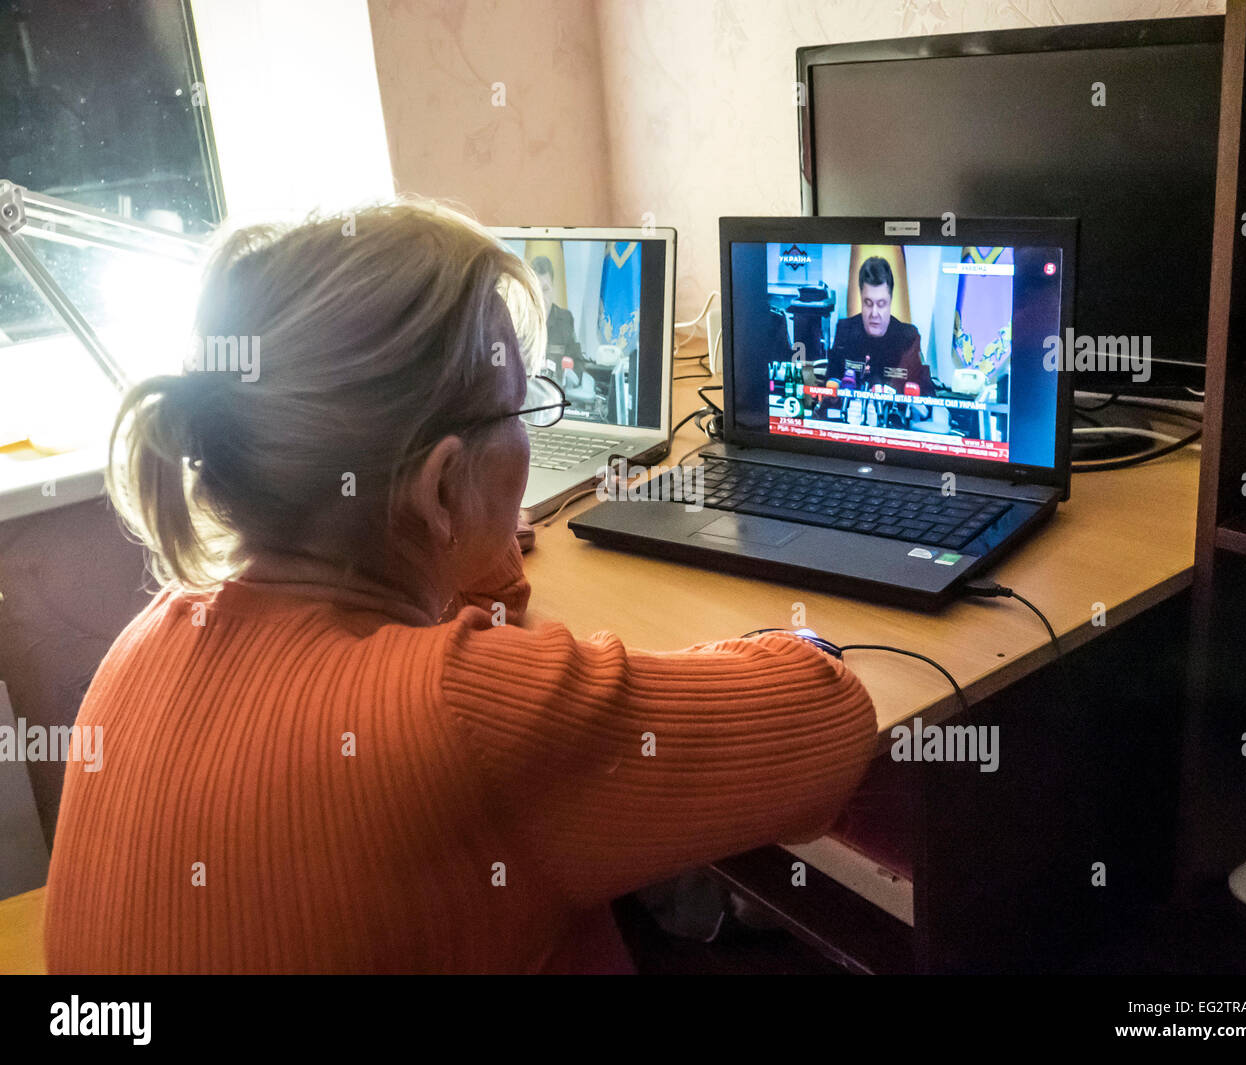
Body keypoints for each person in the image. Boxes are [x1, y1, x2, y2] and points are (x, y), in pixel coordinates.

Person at [43, 199, 877, 974]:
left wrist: (455, 548)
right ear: (440, 487)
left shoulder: (143, 642)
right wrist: (803, 644)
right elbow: (829, 723)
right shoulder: (459, 707)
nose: (528, 429)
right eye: (520, 410)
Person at [827, 257, 935, 398]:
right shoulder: (845, 331)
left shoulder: (908, 337)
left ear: (890, 301)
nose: (874, 313)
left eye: (881, 304)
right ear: (861, 298)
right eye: (868, 303)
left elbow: (928, 395)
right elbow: (829, 385)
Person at [530, 254, 584, 382]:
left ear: (553, 288)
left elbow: (578, 364)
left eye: (545, 289)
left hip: (557, 393)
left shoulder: (565, 319)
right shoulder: (519, 320)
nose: (541, 296)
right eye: (536, 289)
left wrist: (568, 372)